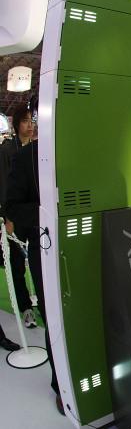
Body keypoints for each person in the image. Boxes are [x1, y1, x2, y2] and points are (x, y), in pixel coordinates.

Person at [5, 139, 63, 415]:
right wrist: (49, 212)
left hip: (87, 242)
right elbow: (12, 206)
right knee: (55, 317)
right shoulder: (27, 156)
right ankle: (62, 386)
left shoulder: (82, 147)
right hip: (46, 247)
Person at [0, 105, 37, 328]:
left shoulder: (36, 149)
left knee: (36, 259)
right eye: (24, 121)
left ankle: (40, 299)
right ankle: (25, 308)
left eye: (31, 120)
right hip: (15, 217)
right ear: (16, 125)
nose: (29, 125)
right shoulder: (6, 151)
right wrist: (8, 218)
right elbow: (4, 186)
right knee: (16, 265)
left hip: (34, 216)